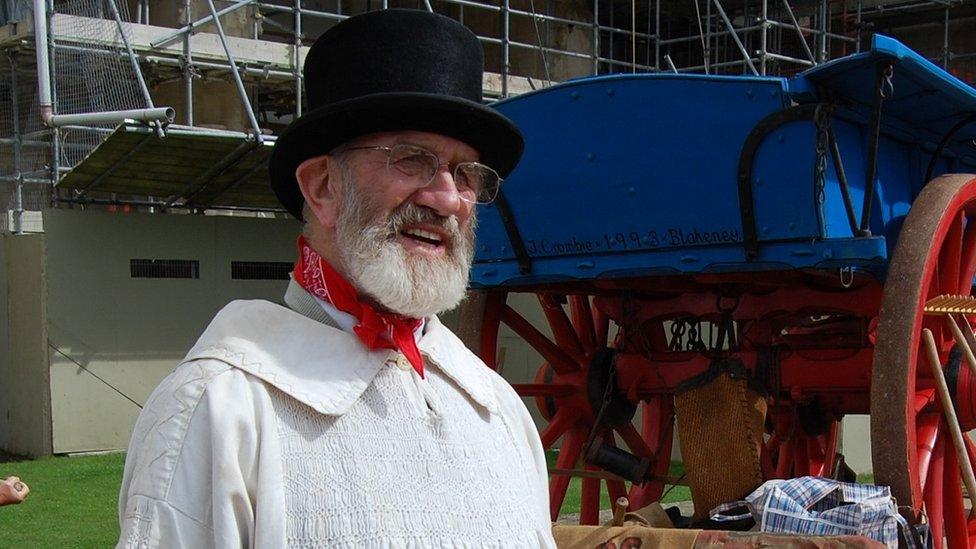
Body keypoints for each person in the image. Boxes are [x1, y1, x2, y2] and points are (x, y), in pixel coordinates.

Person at [117, 9, 554, 548]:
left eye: (465, 174)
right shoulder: (221, 409)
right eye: (412, 160)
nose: (445, 198)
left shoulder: (498, 408)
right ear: (323, 186)